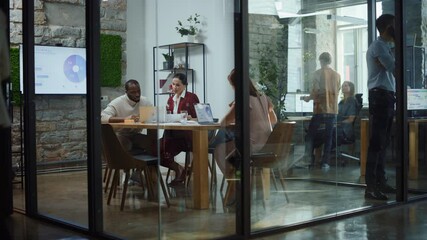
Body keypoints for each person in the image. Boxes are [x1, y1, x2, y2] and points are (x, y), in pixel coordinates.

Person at [212, 69, 277, 181]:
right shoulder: (264, 98)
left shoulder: (243, 99)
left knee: (219, 148)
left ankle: (235, 181)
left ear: (235, 85)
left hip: (252, 146)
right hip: (267, 143)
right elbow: (274, 120)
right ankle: (240, 175)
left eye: (232, 85)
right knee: (228, 146)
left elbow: (223, 122)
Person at [365, 14, 396, 200]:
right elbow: (394, 68)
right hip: (380, 96)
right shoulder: (378, 46)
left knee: (383, 143)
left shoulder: (385, 47)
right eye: (394, 26)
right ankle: (370, 186)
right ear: (387, 27)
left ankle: (380, 181)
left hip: (387, 96)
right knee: (376, 143)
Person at [302, 52, 341, 169]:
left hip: (320, 109)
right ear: (330, 61)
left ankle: (308, 159)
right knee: (328, 136)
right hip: (332, 110)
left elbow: (316, 91)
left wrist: (307, 98)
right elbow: (337, 91)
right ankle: (325, 162)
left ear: (321, 61)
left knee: (310, 135)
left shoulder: (317, 74)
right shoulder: (337, 75)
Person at [160, 73, 200, 186]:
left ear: (184, 85)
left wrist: (190, 118)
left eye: (178, 85)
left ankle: (179, 170)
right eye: (173, 84)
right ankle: (179, 169)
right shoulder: (170, 100)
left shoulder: (191, 97)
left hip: (187, 136)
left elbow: (201, 117)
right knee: (156, 149)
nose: (174, 87)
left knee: (161, 148)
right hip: (173, 134)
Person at [101, 79, 153, 152]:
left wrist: (146, 118)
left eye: (138, 91)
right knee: (124, 143)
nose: (137, 94)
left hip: (136, 134)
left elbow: (153, 117)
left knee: (153, 144)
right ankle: (124, 163)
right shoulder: (118, 102)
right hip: (120, 134)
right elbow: (102, 117)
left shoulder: (145, 101)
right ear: (126, 92)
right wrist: (125, 119)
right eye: (133, 92)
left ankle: (147, 163)